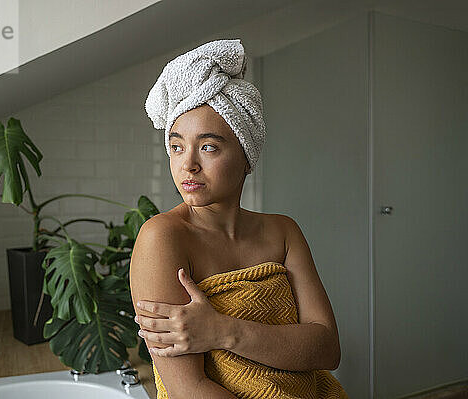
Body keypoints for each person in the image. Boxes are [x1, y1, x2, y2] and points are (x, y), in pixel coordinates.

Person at [129, 39, 348, 399]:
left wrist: (221, 330)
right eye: (176, 146)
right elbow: (189, 389)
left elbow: (327, 348)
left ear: (247, 156)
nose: (188, 164)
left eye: (209, 146)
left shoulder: (283, 232)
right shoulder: (163, 238)